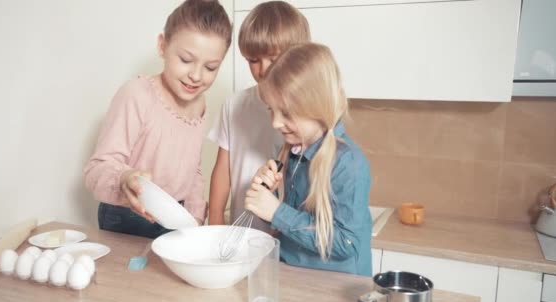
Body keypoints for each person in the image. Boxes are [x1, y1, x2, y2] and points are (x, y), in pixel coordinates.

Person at [83, 0, 232, 239]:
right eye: (185, 60)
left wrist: (194, 218)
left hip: (175, 217)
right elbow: (97, 169)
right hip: (127, 217)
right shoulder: (136, 94)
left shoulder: (200, 104)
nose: (196, 76)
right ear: (162, 46)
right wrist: (124, 178)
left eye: (211, 67)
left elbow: (192, 168)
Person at [245, 42, 373, 276]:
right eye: (271, 110)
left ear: (317, 106)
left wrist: (276, 212)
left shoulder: (349, 164)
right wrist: (270, 193)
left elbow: (347, 243)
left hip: (333, 288)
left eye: (286, 112)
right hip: (295, 276)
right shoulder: (295, 151)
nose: (275, 123)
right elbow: (295, 223)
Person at [207, 1, 310, 231]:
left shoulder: (307, 115)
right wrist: (214, 223)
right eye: (253, 60)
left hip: (289, 237)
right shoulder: (234, 105)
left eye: (274, 59)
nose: (263, 69)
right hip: (241, 231)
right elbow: (222, 171)